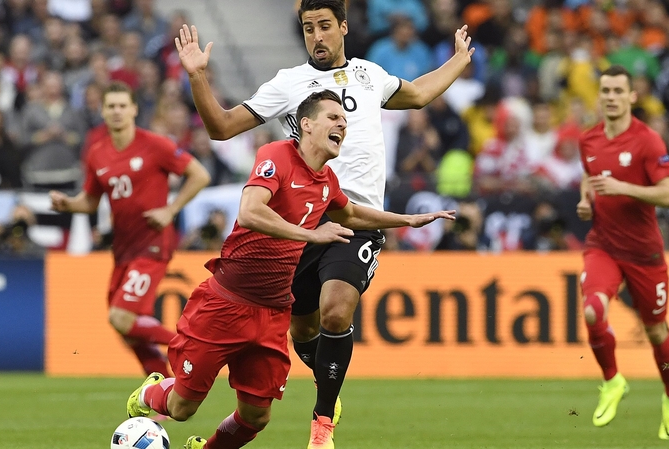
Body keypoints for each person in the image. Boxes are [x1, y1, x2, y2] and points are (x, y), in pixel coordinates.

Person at [173, 1, 474, 446]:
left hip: (356, 220)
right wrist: (197, 75)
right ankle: (325, 378)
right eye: (308, 27)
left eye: (324, 26)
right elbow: (220, 127)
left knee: (337, 310)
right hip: (303, 225)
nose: (316, 36)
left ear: (343, 28)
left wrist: (458, 61)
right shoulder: (290, 83)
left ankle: (322, 425)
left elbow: (420, 94)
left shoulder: (371, 75)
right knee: (304, 330)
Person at [125, 90, 455, 449]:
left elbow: (353, 214)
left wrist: (406, 219)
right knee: (182, 407)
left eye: (344, 120)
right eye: (332, 117)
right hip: (226, 302)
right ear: (307, 125)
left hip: (272, 314)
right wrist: (310, 234)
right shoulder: (276, 156)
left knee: (255, 417)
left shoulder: (326, 180)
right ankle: (151, 392)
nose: (342, 123)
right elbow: (250, 211)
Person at [49, 81, 210, 379]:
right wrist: (68, 204)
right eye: (111, 106)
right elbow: (90, 201)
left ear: (134, 109)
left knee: (121, 317)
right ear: (103, 111)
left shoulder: (154, 144)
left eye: (123, 105)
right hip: (123, 250)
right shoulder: (97, 153)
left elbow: (199, 175)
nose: (117, 111)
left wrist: (171, 210)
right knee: (128, 329)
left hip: (152, 245)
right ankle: (162, 388)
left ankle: (188, 343)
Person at [576, 65, 669, 440]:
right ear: (599, 94)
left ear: (632, 97)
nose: (611, 97)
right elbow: (590, 180)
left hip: (644, 253)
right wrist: (585, 201)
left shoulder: (648, 141)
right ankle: (613, 381)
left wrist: (624, 188)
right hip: (603, 244)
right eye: (605, 90)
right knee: (592, 310)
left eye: (619, 91)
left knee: (655, 330)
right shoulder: (588, 140)